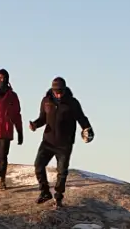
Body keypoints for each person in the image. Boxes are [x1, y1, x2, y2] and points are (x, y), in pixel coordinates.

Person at [29, 76, 94, 207]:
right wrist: (35, 124)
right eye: (56, 91)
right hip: (47, 142)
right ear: (52, 89)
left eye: (60, 91)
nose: (58, 93)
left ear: (64, 90)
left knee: (62, 172)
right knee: (38, 166)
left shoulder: (72, 103)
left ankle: (58, 198)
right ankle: (45, 192)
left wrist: (88, 129)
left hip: (64, 144)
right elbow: (43, 118)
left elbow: (81, 118)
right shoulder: (46, 101)